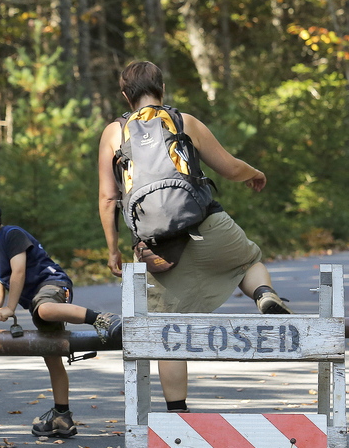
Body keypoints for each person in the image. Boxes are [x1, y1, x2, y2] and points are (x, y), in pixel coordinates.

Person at [97, 60, 291, 413]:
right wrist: (255, 173)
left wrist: (113, 251)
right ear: (162, 89)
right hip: (207, 225)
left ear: (126, 95)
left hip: (156, 247)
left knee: (165, 324)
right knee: (248, 260)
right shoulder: (184, 121)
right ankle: (263, 295)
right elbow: (230, 166)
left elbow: (108, 197)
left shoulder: (114, 133)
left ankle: (178, 413)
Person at [0, 198, 122, 437]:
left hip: (53, 285)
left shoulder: (12, 236)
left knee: (45, 309)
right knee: (51, 353)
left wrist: (11, 308)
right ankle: (62, 416)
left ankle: (104, 319)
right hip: (37, 302)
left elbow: (18, 272)